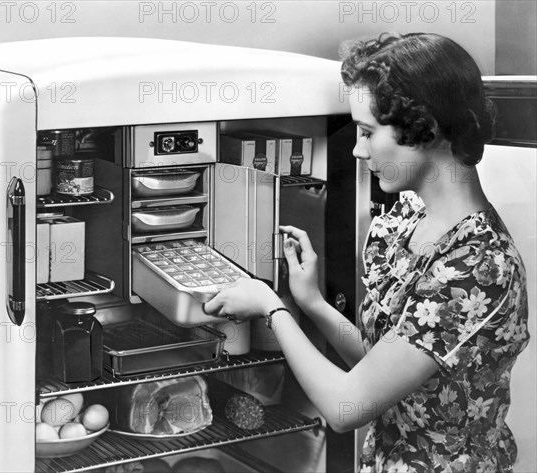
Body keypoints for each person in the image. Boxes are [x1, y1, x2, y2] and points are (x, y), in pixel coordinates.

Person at [203, 33, 530, 472]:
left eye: (367, 132)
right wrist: (311, 302)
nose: (357, 150)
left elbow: (346, 408)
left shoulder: (478, 266)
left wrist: (271, 306)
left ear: (425, 129)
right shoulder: (411, 218)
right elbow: (378, 371)